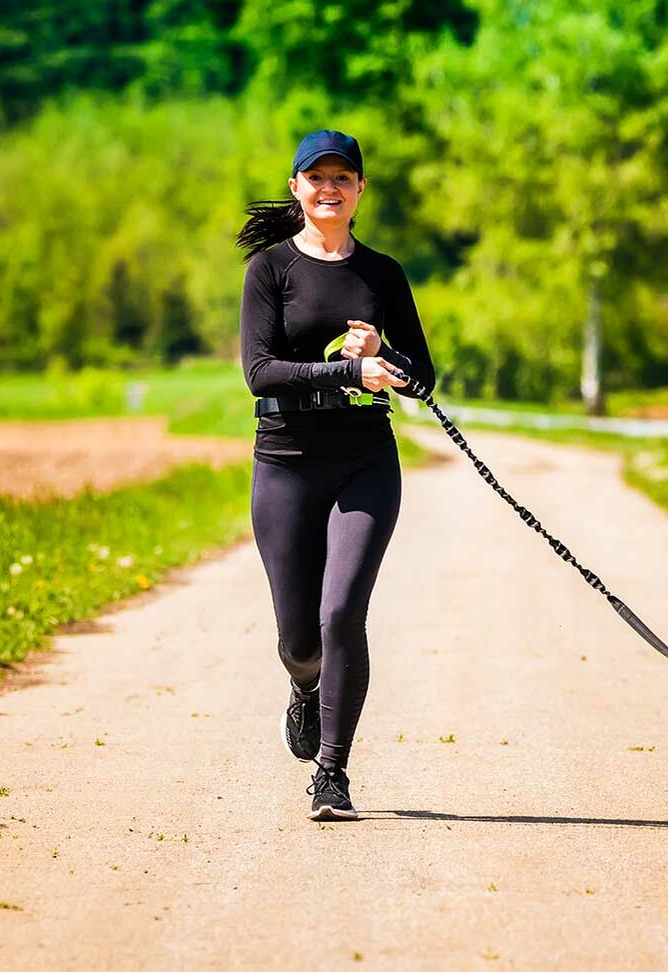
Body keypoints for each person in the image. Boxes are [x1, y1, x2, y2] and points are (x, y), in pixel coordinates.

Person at [236, 128, 438, 821]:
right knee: (300, 640)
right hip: (285, 463)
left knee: (341, 612)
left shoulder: (382, 274)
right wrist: (349, 368)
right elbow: (258, 371)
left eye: (342, 178)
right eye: (315, 178)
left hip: (364, 460)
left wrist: (385, 352)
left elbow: (421, 378)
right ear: (296, 188)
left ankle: (331, 774)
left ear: (359, 190)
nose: (329, 189)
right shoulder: (270, 270)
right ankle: (304, 688)